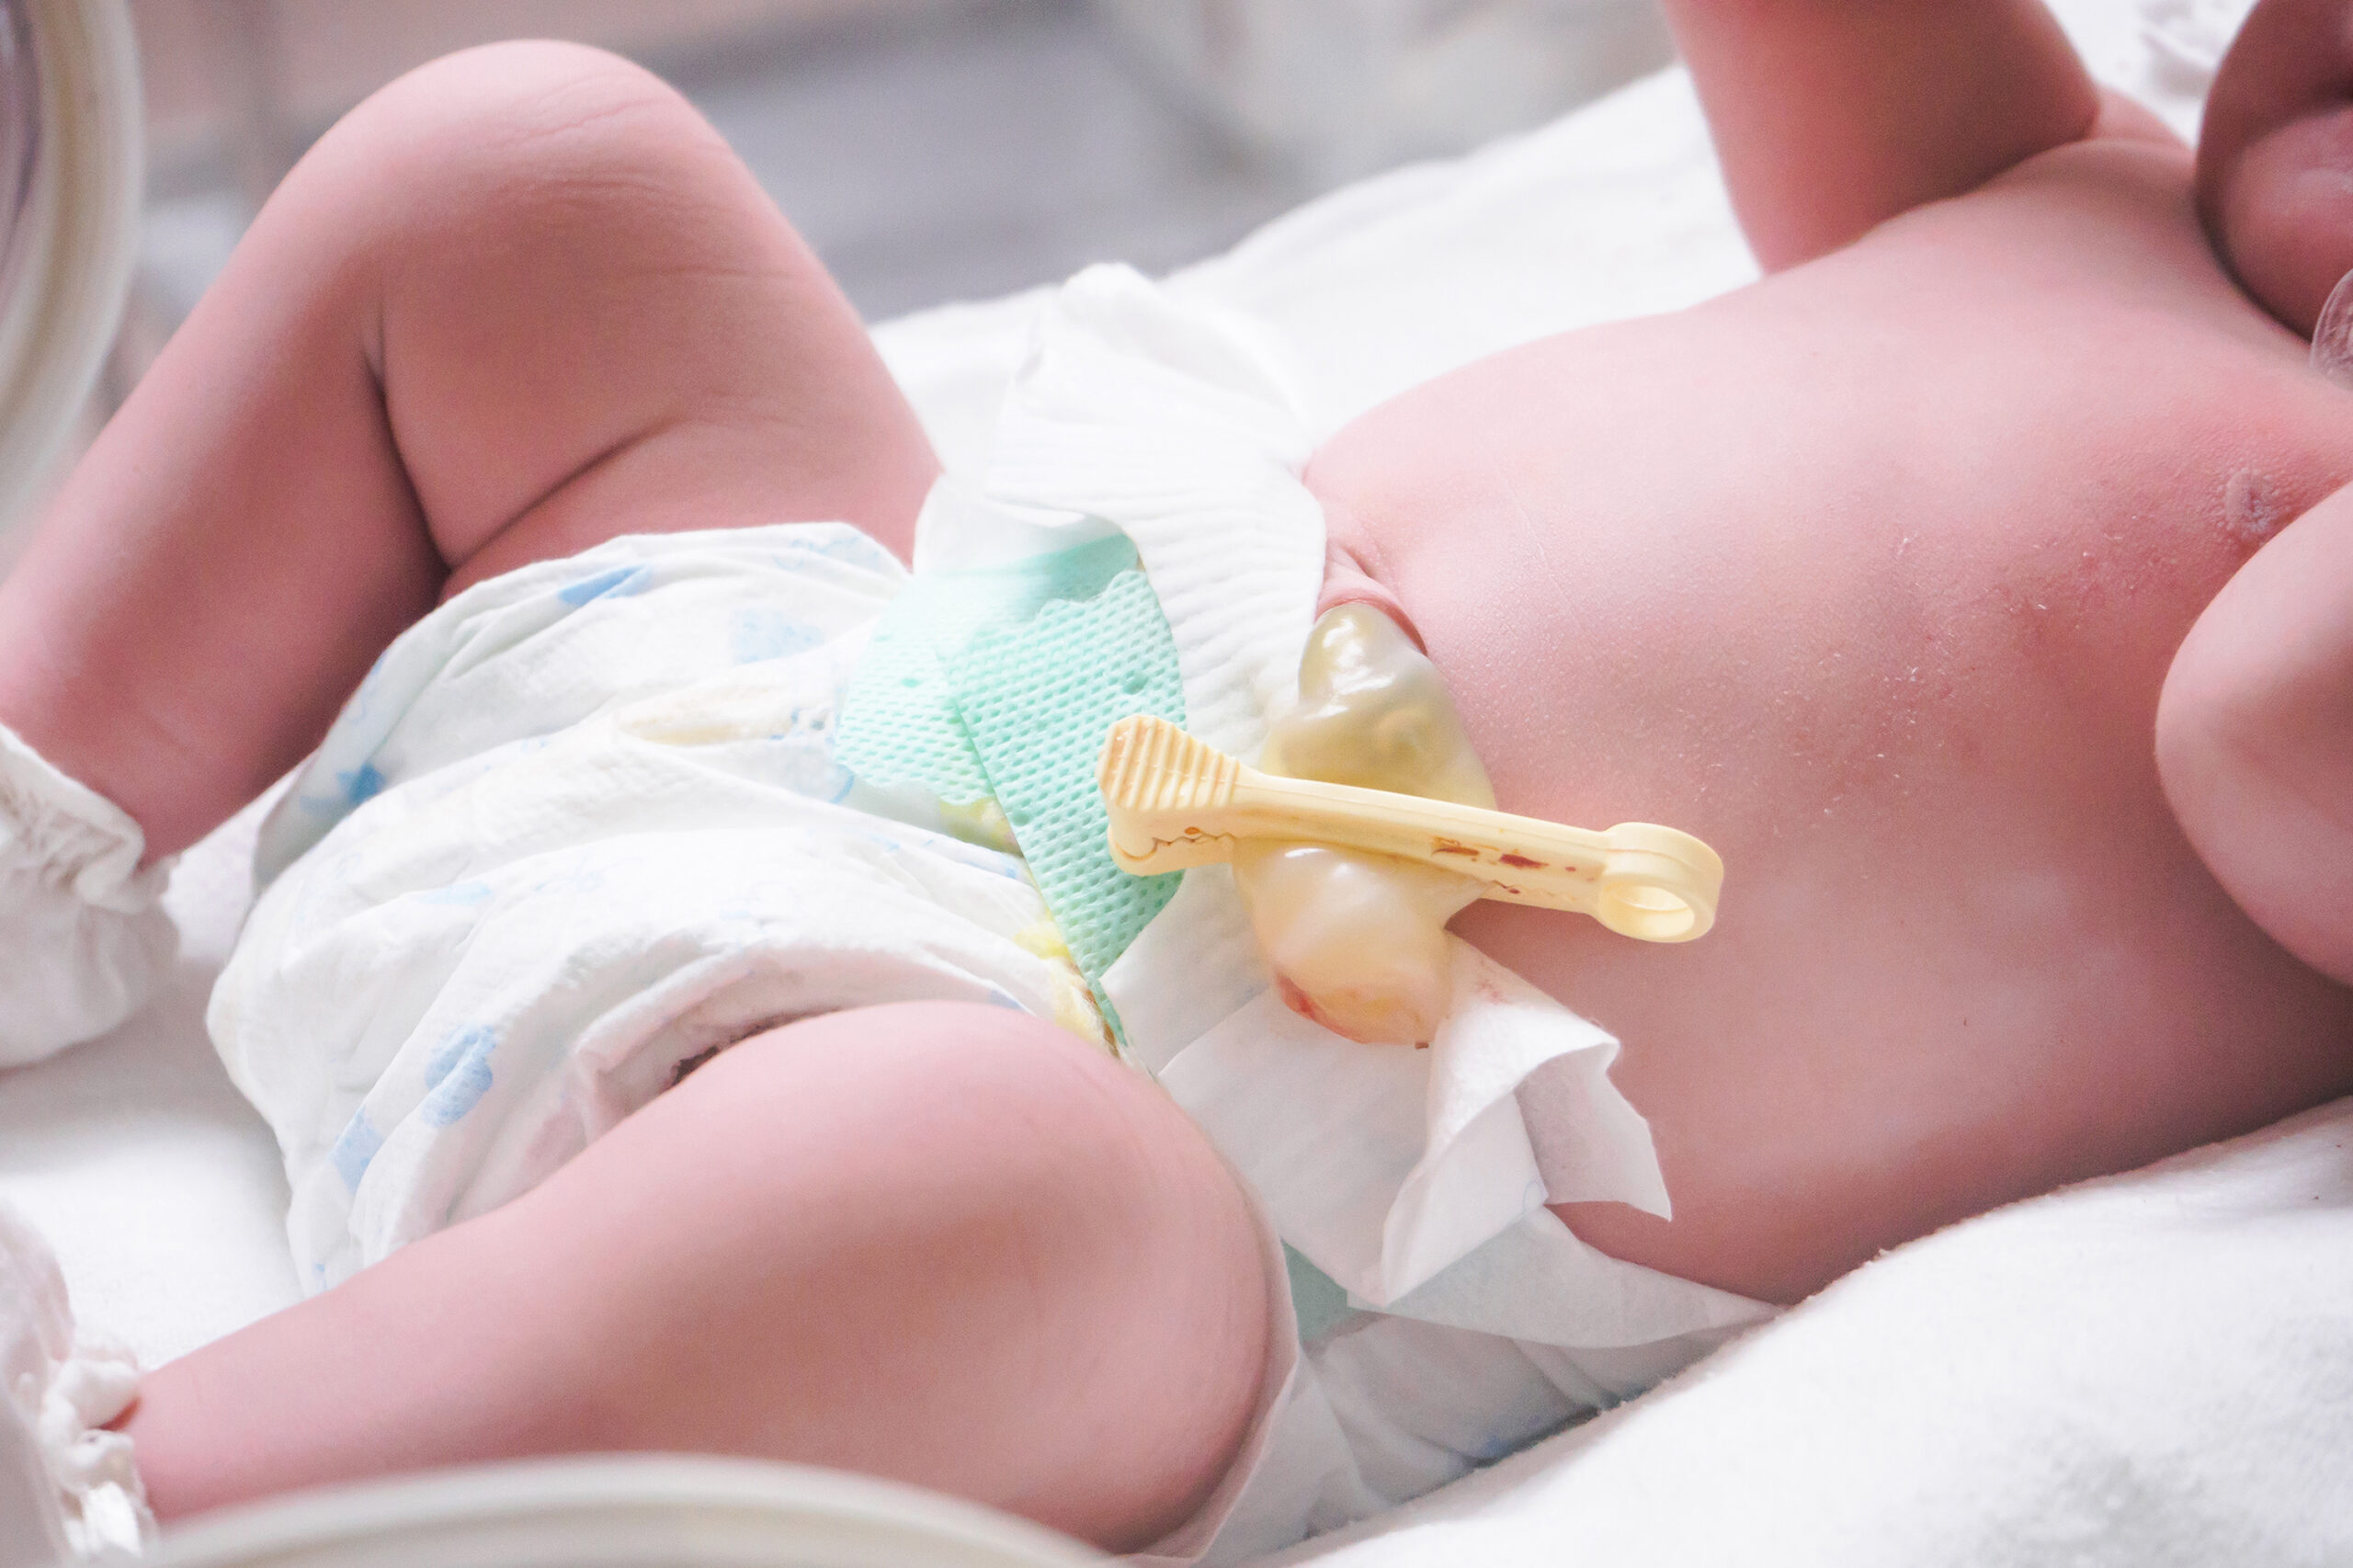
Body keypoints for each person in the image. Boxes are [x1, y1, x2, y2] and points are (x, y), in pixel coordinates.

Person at [2, 0, 2349, 1556]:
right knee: (525, 178)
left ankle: (135, 1492)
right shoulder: (2078, 176)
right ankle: (34, 813)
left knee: (991, 1198)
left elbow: (2272, 729)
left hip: (1120, 1134)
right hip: (836, 670)